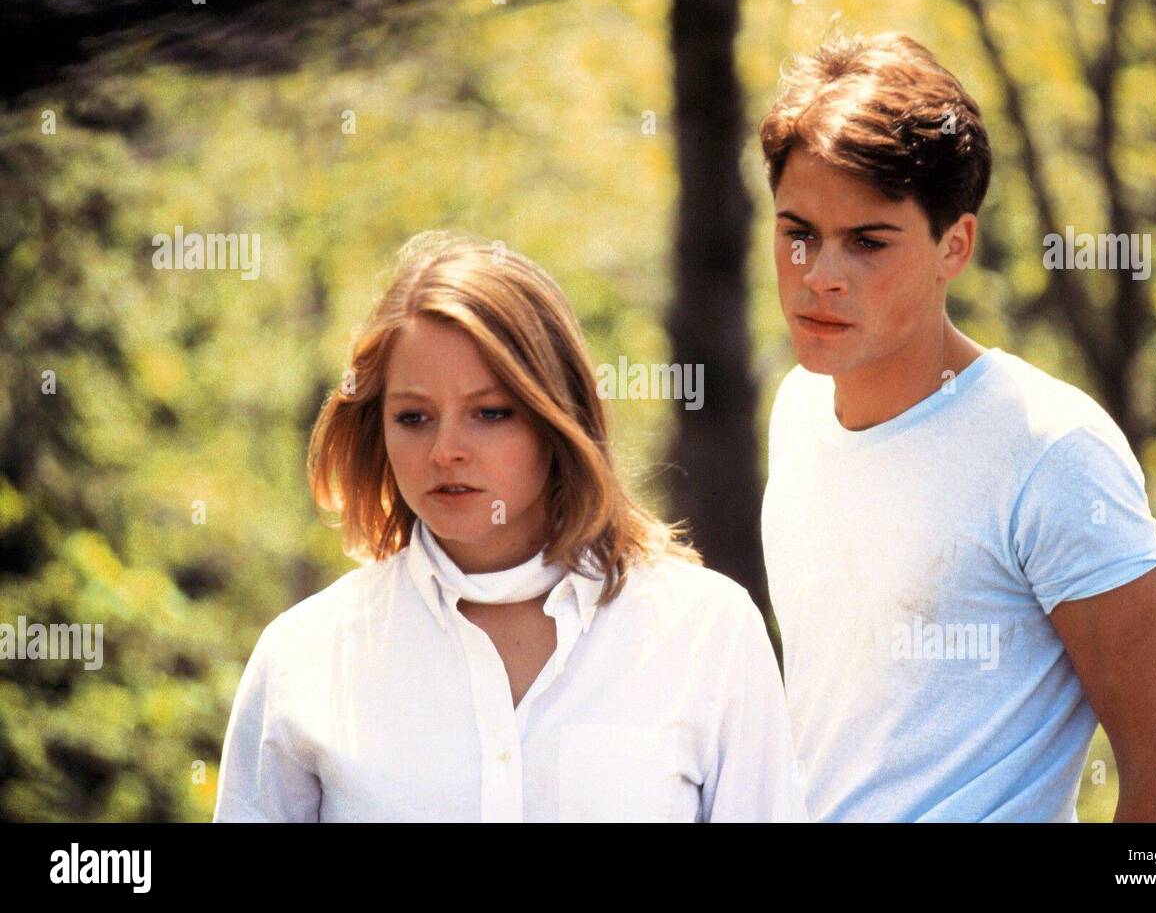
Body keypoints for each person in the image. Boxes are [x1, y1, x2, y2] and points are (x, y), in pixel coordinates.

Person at [758, 32, 1156, 821]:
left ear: (953, 246)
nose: (819, 273)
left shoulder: (1053, 449)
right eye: (799, 233)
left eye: (867, 242)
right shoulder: (797, 407)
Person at [213, 230, 806, 822]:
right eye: (413, 417)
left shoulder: (709, 633)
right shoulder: (305, 657)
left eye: (490, 413)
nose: (446, 450)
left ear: (558, 415)